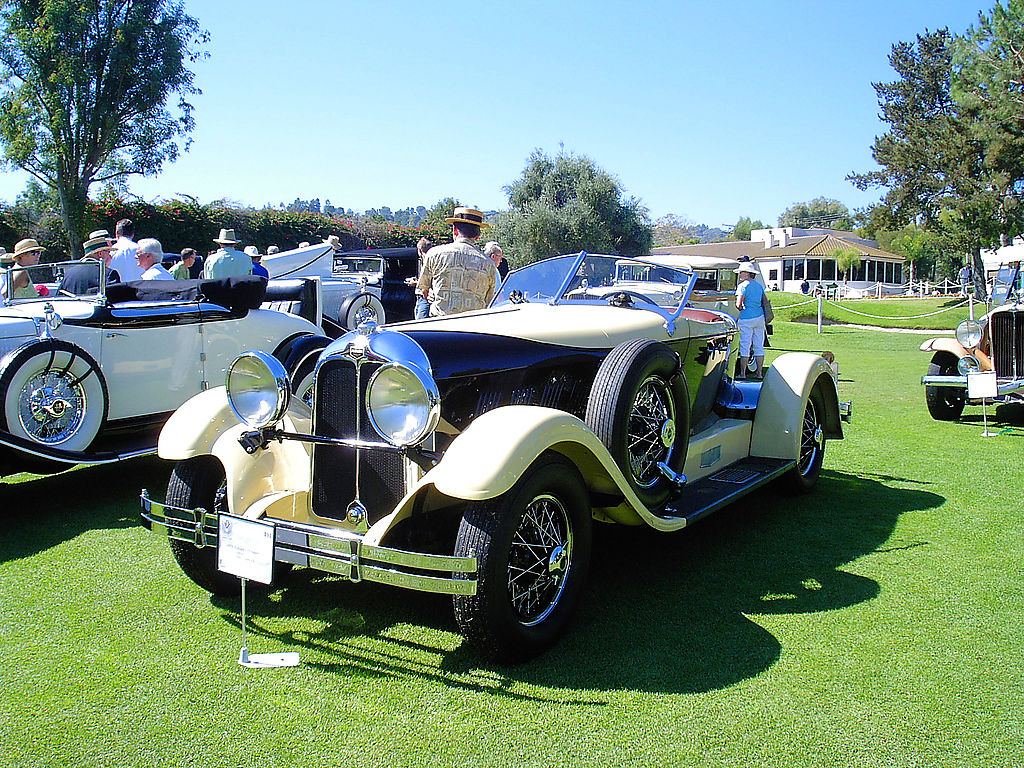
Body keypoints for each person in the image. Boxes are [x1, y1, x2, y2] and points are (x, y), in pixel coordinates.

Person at [417, 207, 497, 316]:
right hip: (472, 328)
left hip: (440, 325)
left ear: (454, 229)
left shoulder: (434, 254)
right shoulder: (489, 264)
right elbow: (489, 300)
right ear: (478, 235)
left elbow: (424, 289)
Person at [58, 230, 121, 294]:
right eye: (108, 252)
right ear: (100, 254)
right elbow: (116, 300)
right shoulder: (108, 274)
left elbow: (59, 299)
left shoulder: (68, 274)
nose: (110, 256)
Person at [735, 262, 767, 380]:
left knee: (745, 345)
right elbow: (764, 301)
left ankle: (743, 373)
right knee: (759, 345)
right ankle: (759, 373)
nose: (740, 274)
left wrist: (741, 306)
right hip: (759, 317)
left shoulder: (743, 286)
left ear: (747, 273)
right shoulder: (759, 286)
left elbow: (738, 304)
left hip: (746, 317)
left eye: (742, 272)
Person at [409, 236, 433, 319]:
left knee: (420, 323)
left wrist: (414, 283)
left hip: (425, 298)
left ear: (419, 249)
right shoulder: (423, 261)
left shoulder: (429, 261)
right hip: (419, 298)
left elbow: (430, 282)